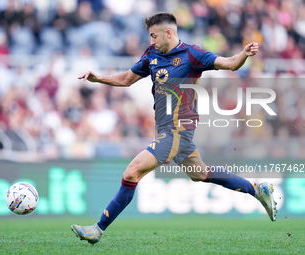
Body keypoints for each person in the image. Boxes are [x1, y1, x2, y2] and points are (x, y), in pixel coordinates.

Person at [71, 12, 277, 244]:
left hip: (177, 130)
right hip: (169, 131)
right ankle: (256, 188)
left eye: (154, 36)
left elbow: (229, 64)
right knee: (200, 174)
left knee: (131, 172)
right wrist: (99, 79)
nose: (151, 41)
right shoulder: (151, 55)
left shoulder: (192, 54)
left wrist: (243, 54)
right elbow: (126, 79)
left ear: (168, 33)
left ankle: (98, 229)